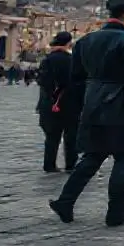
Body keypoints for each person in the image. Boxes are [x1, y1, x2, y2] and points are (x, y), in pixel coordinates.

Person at [49, 0, 124, 227]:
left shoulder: (85, 41)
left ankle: (65, 201)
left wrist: (82, 106)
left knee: (92, 156)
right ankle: (115, 211)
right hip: (122, 106)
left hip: (93, 104)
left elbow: (75, 80)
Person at [37, 31, 79, 173]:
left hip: (49, 103)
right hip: (70, 102)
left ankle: (49, 164)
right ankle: (71, 164)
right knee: (71, 136)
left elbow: (42, 82)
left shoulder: (47, 59)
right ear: (68, 43)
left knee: (51, 137)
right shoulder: (72, 59)